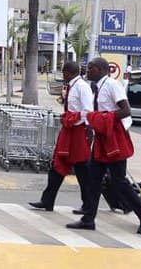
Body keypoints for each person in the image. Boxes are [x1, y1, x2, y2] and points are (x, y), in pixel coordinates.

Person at [66, 57, 141, 234]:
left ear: (100, 70)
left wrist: (104, 118)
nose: (87, 71)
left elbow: (126, 110)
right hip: (101, 138)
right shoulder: (96, 87)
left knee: (119, 181)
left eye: (90, 68)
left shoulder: (112, 85)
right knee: (94, 179)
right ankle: (88, 219)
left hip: (114, 137)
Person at [29, 61, 91, 212]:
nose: (63, 76)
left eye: (64, 73)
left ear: (68, 72)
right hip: (69, 131)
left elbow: (89, 111)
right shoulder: (72, 86)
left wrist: (73, 119)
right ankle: (47, 201)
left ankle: (88, 205)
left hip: (78, 131)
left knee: (82, 169)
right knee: (58, 165)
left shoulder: (82, 87)